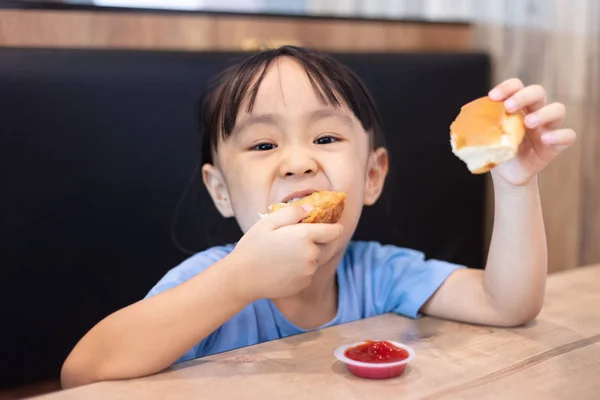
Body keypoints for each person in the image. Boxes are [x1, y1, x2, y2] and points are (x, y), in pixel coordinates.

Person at [60, 46, 575, 388]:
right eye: (263, 143)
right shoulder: (209, 282)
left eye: (326, 138)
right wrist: (236, 282)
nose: (300, 161)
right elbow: (82, 375)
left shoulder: (379, 273)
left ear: (372, 176)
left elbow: (507, 304)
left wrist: (515, 184)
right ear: (220, 190)